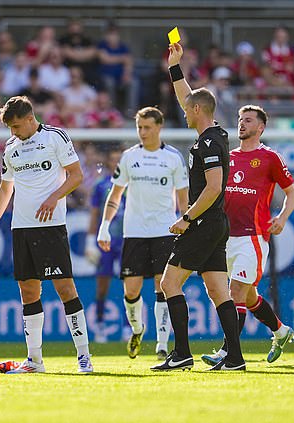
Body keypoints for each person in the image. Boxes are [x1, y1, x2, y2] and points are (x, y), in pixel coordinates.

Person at [0, 96, 92, 373]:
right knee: (28, 291)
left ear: (30, 118)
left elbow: (76, 175)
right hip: (21, 228)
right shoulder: (11, 147)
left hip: (50, 227)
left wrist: (54, 198)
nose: (13, 132)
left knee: (65, 289)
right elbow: (5, 189)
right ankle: (34, 361)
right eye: (9, 128)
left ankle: (84, 356)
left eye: (16, 126)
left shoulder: (55, 137)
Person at [151, 42, 245, 372]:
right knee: (219, 290)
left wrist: (187, 217)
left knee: (169, 284)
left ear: (199, 112)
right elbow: (187, 98)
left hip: (203, 222)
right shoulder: (213, 134)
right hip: (216, 222)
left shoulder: (208, 142)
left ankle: (181, 354)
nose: (184, 111)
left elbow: (215, 186)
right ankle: (234, 358)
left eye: (189, 110)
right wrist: (175, 68)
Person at [201, 105, 294, 367]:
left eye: (248, 120)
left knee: (235, 292)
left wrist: (281, 217)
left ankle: (227, 352)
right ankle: (280, 331)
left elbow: (292, 193)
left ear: (261, 127)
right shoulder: (228, 156)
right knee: (248, 295)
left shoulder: (270, 158)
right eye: (240, 119)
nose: (242, 124)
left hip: (252, 236)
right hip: (225, 237)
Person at [97, 107, 188, 360]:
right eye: (139, 127)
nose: (143, 132)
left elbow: (183, 199)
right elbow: (115, 195)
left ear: (159, 127)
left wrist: (186, 225)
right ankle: (137, 329)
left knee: (163, 287)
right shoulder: (129, 157)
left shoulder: (173, 157)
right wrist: (105, 226)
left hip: (164, 231)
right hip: (134, 233)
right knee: (131, 291)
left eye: (147, 127)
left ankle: (161, 343)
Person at [85, 148, 125, 344]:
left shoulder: (133, 183)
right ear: (109, 162)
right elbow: (94, 214)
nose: (117, 163)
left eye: (120, 160)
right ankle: (100, 326)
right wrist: (90, 241)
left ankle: (128, 327)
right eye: (114, 160)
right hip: (106, 240)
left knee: (130, 283)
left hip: (128, 238)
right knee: (102, 285)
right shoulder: (101, 186)